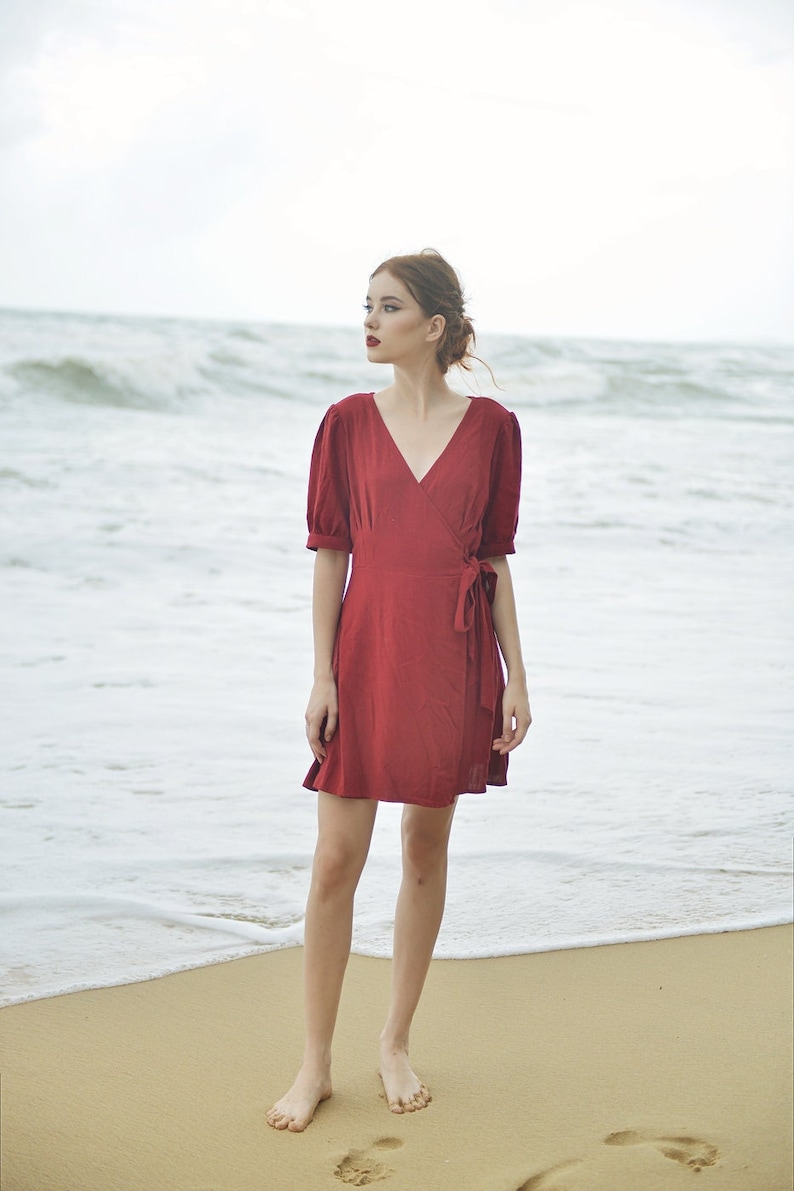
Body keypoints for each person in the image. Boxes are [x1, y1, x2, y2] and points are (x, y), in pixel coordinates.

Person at [266, 248, 531, 1132]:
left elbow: (492, 559)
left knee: (424, 849)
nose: (370, 321)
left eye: (387, 306)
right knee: (336, 857)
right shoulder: (344, 422)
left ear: (436, 325)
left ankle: (394, 1039)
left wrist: (515, 677)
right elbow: (330, 553)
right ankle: (315, 1063)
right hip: (366, 652)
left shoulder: (493, 427)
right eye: (366, 305)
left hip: (451, 659)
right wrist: (321, 674)